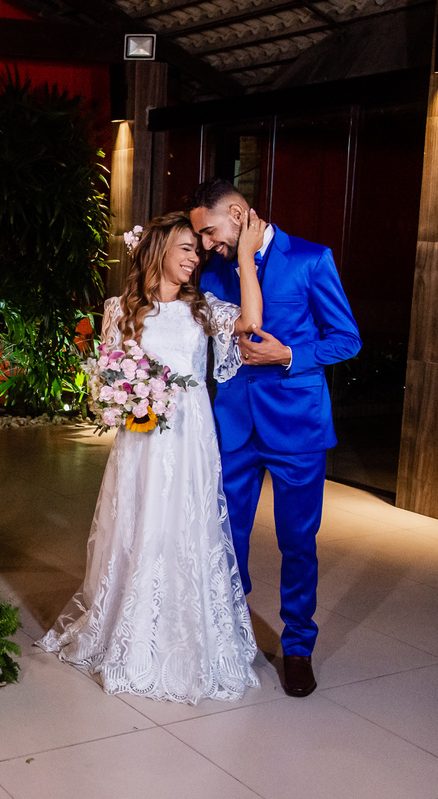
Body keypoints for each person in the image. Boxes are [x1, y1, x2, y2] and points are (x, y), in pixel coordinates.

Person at [37, 210, 264, 704]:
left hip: (191, 434)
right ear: (159, 250)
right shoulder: (120, 308)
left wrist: (245, 256)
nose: (196, 258)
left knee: (187, 523)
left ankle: (187, 634)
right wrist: (124, 398)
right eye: (187, 248)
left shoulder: (204, 307)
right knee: (139, 523)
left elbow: (251, 323)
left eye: (198, 251)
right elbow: (105, 380)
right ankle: (131, 630)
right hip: (142, 436)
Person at [188, 178, 361, 698]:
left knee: (298, 541)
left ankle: (299, 647)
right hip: (234, 423)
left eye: (213, 233)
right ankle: (234, 636)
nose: (208, 247)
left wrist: (288, 356)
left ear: (239, 214)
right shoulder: (217, 271)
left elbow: (347, 339)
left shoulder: (311, 258)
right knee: (227, 536)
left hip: (297, 425)